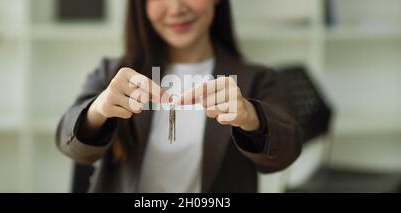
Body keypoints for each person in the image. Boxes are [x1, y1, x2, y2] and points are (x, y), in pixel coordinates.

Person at [56, 0, 302, 193]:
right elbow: (69, 143)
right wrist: (98, 111)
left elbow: (286, 151)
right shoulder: (114, 74)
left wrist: (251, 118)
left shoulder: (256, 79)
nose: (176, 8)